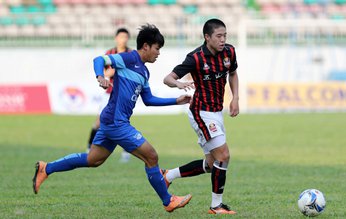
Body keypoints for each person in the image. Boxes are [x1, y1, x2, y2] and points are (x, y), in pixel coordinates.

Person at [33, 24, 192, 213]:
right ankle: (168, 201)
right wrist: (100, 76)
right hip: (116, 122)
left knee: (93, 160)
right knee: (151, 156)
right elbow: (99, 59)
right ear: (146, 46)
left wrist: (176, 100)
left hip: (112, 121)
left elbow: (148, 100)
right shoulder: (129, 58)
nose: (158, 53)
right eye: (157, 48)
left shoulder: (144, 71)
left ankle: (46, 168)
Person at [163, 18, 239, 215]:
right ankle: (216, 206)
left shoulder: (229, 52)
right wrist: (178, 84)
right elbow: (168, 78)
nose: (223, 40)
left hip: (216, 112)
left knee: (212, 164)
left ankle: (168, 175)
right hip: (201, 112)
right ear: (207, 37)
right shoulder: (195, 58)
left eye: (225, 35)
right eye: (218, 36)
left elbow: (233, 73)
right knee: (224, 156)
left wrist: (235, 98)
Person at [87, 27, 132, 163]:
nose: (123, 39)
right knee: (99, 122)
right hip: (109, 93)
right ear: (116, 38)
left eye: (125, 37)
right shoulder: (110, 53)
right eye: (121, 37)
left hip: (123, 94)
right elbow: (105, 72)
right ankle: (90, 147)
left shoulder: (131, 54)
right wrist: (110, 73)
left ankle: (126, 153)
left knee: (122, 122)